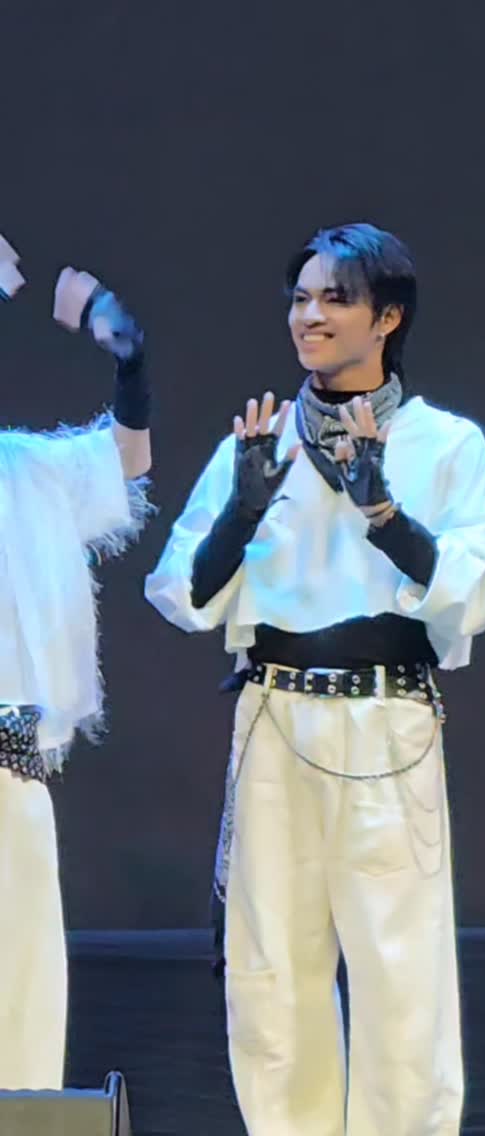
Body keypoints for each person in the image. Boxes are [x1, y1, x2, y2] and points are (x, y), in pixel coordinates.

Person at [145, 222, 485, 1136]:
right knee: (270, 964)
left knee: (401, 965)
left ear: (387, 317)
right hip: (275, 714)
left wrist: (386, 515)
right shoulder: (259, 442)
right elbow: (181, 594)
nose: (308, 317)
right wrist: (240, 513)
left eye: (334, 299)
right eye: (300, 298)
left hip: (385, 717)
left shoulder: (443, 443)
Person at [0, 239, 153, 1091]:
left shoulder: (27, 473)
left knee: (20, 1007)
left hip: (7, 775)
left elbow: (123, 460)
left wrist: (132, 367)